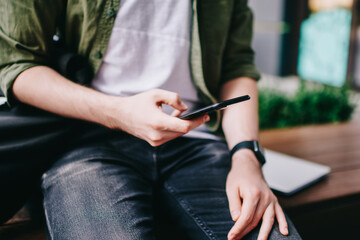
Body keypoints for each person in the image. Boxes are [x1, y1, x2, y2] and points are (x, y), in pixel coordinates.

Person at [0, 0, 301, 239]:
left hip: (196, 147)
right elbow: (17, 64)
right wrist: (117, 112)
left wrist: (247, 158)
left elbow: (237, 68)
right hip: (86, 140)